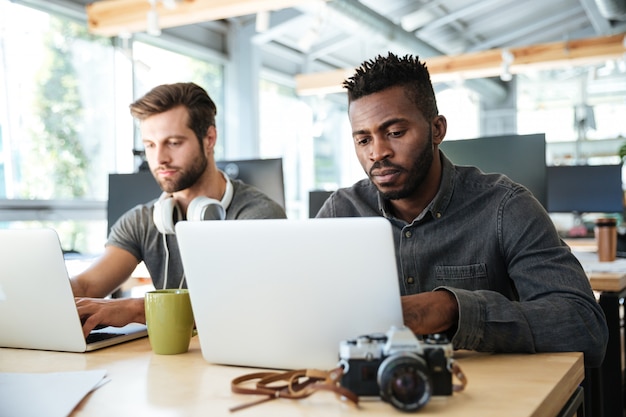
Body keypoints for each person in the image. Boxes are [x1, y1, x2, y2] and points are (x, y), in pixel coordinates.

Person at [316, 53, 608, 368]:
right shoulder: (340, 212)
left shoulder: (506, 207)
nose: (378, 152)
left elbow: (584, 326)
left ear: (437, 129)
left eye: (395, 133)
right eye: (363, 140)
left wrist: (452, 310)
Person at [72, 82, 286, 337]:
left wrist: (134, 309)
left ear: (209, 139)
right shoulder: (143, 220)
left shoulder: (258, 217)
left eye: (173, 143)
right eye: (150, 145)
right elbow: (86, 285)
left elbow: (245, 306)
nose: (159, 158)